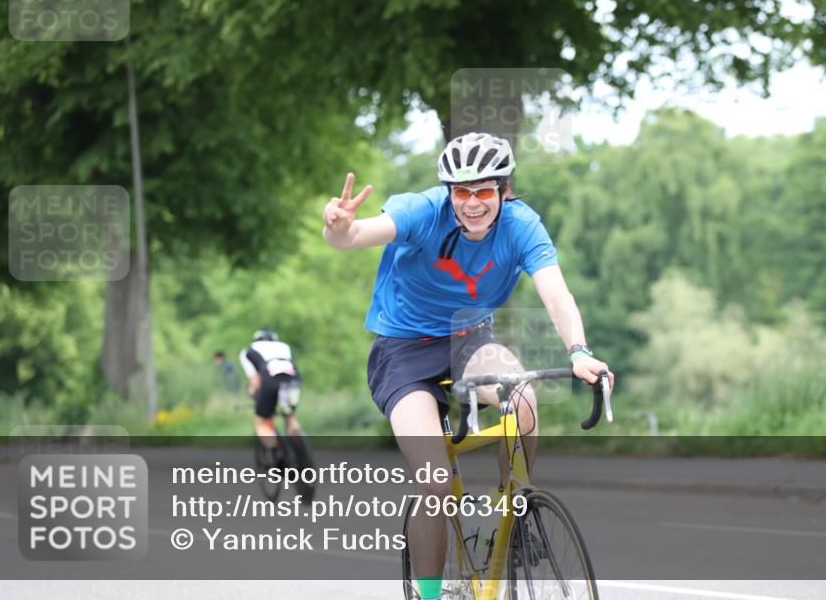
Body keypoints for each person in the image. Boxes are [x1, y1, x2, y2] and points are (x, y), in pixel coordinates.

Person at [322, 132, 614, 600]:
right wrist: (339, 229)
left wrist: (579, 351)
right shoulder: (422, 211)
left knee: (523, 397)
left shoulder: (521, 225)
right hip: (402, 352)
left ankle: (512, 512)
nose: (473, 203)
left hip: (469, 338)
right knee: (434, 480)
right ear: (448, 192)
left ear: (503, 189)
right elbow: (356, 235)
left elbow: (556, 293)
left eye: (484, 191)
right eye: (462, 192)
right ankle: (431, 593)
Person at [239, 328, 302, 460]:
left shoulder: (249, 350)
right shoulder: (284, 347)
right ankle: (302, 454)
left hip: (270, 382)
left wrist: (252, 392)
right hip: (293, 381)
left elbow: (255, 381)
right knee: (289, 416)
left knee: (261, 422)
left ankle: (279, 454)